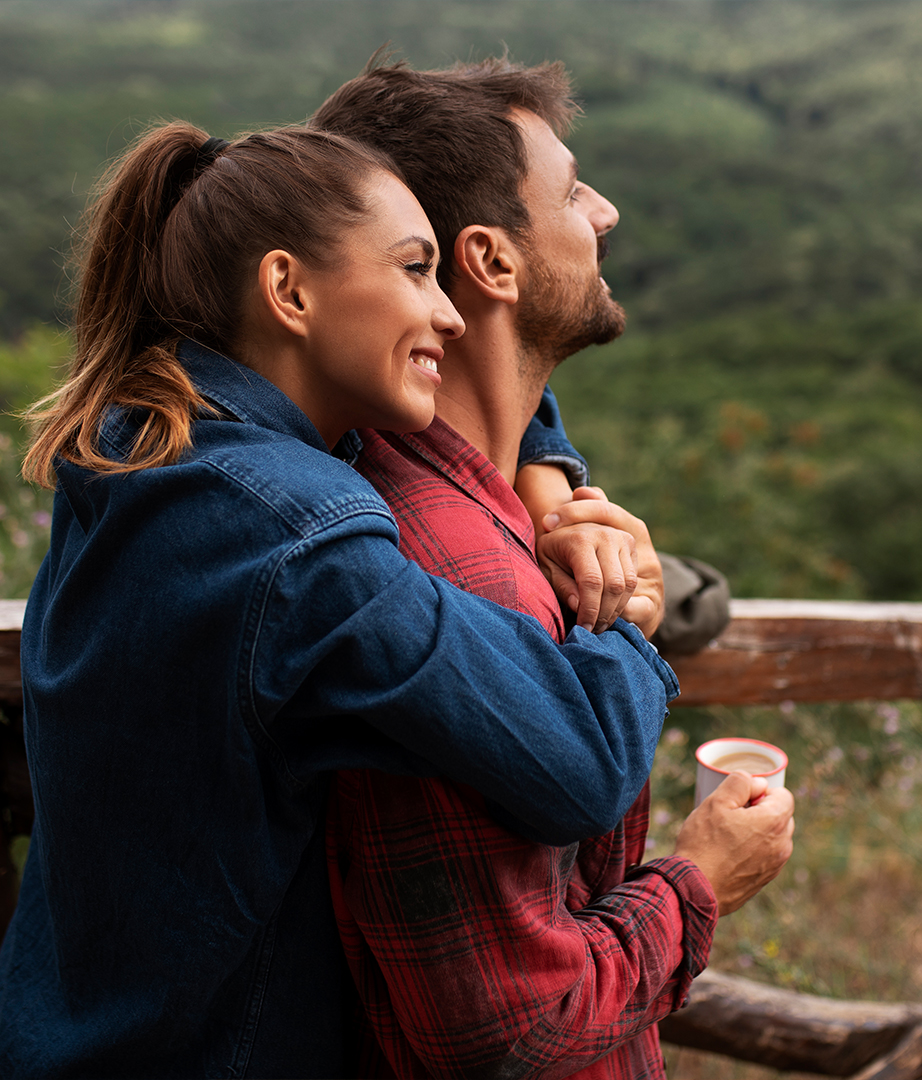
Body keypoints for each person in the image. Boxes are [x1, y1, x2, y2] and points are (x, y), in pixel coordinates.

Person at [0, 122, 685, 1079]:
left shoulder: (145, 441)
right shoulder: (308, 551)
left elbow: (500, 382)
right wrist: (631, 617)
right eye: (415, 271)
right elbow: (581, 756)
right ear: (287, 291)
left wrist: (546, 473)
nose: (447, 315)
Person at [311, 57, 795, 1078]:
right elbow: (506, 1033)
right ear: (490, 262)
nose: (605, 211)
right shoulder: (452, 582)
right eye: (572, 192)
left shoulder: (486, 506)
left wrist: (546, 481)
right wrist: (703, 878)